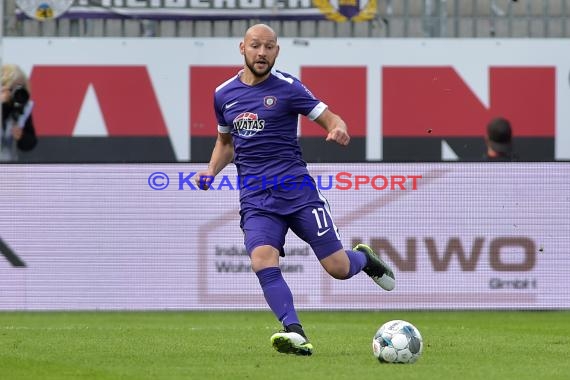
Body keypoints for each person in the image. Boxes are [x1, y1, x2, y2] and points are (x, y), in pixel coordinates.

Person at [194, 24, 395, 356]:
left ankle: (365, 259)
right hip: (257, 199)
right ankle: (294, 331)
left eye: (269, 47)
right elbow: (225, 143)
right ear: (241, 48)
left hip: (298, 193)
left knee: (338, 268)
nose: (262, 53)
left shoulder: (288, 88)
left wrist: (339, 129)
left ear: (277, 50)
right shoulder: (223, 94)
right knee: (262, 260)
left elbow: (330, 118)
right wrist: (211, 169)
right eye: (256, 46)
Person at [1, 64, 38, 162]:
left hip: (8, 164)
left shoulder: (23, 106)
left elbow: (31, 142)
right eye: (12, 87)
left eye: (20, 86)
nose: (16, 91)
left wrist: (22, 136)